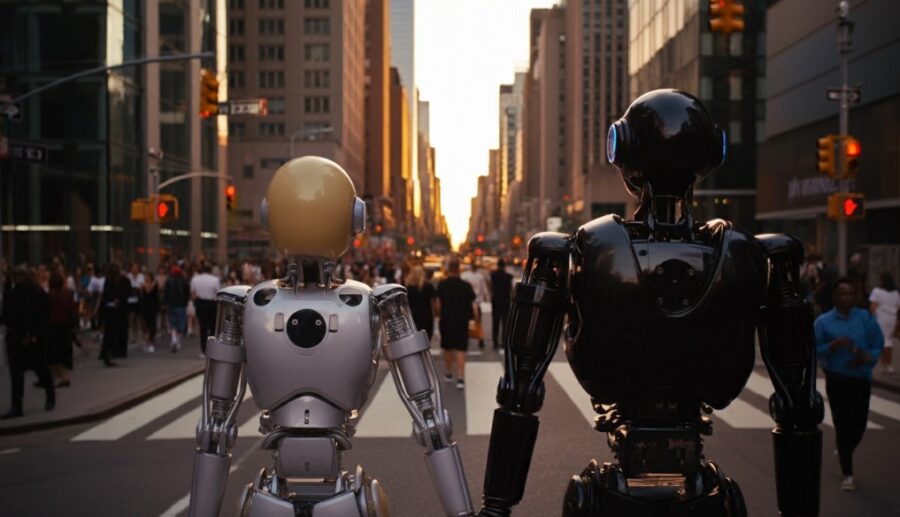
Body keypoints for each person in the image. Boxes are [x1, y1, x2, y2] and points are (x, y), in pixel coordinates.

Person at [815, 277, 884, 491]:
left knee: (860, 423)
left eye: (850, 294)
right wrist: (833, 346)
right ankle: (848, 472)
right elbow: (815, 350)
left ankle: (845, 447)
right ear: (835, 297)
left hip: (861, 378)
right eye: (843, 294)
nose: (847, 298)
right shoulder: (823, 322)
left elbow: (877, 343)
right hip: (837, 378)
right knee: (842, 421)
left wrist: (867, 357)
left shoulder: (865, 318)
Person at [1, 266, 55, 418]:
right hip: (15, 337)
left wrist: (34, 333)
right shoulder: (11, 293)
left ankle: (50, 393)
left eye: (19, 275)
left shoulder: (35, 292)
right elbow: (6, 315)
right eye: (15, 275)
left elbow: (43, 314)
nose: (17, 278)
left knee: (39, 368)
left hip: (31, 338)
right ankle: (16, 405)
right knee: (16, 373)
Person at [436, 258, 477, 390]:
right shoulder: (466, 286)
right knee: (460, 349)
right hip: (462, 321)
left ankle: (448, 373)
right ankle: (460, 377)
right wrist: (476, 319)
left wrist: (439, 314)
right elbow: (473, 305)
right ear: (459, 269)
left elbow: (438, 305)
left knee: (447, 348)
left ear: (448, 269)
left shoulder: (442, 285)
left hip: (446, 320)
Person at [46, 272, 77, 387]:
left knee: (52, 355)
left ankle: (62, 377)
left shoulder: (50, 296)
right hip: (65, 326)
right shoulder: (68, 293)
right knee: (62, 354)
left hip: (53, 327)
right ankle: (63, 376)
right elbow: (72, 310)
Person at [99, 264, 130, 365]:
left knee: (121, 329)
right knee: (110, 331)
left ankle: (120, 350)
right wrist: (111, 301)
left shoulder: (125, 281)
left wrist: (119, 300)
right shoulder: (108, 281)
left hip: (121, 310)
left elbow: (127, 293)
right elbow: (105, 295)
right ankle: (110, 350)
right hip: (110, 310)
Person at [869, 272, 900, 374]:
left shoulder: (877, 291)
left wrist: (872, 318)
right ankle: (886, 364)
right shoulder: (895, 293)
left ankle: (887, 364)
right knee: (888, 340)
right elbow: (898, 307)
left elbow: (873, 306)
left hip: (881, 317)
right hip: (892, 318)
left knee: (884, 341)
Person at [191, 262, 221, 357]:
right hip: (212, 303)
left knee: (202, 327)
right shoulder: (215, 280)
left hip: (200, 303)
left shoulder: (195, 279)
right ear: (211, 270)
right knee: (213, 327)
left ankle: (203, 350)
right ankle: (212, 349)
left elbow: (193, 293)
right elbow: (218, 293)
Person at [404, 264, 437, 341]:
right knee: (426, 341)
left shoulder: (408, 287)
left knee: (415, 342)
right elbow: (432, 303)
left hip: (412, 317)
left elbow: (406, 304)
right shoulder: (428, 286)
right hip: (426, 316)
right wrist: (434, 315)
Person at [461, 262, 489, 349]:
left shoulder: (464, 276)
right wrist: (486, 297)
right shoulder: (479, 277)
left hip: (468, 302)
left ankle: (472, 338)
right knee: (477, 322)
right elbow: (484, 288)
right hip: (475, 302)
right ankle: (480, 339)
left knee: (467, 322)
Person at [163, 265, 190, 353]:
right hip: (181, 305)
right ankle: (177, 341)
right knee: (181, 324)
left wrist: (164, 303)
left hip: (171, 305)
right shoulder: (184, 281)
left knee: (172, 324)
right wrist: (186, 302)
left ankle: (173, 339)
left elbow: (165, 293)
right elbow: (187, 294)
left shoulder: (168, 281)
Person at [489, 259, 514, 351]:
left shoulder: (493, 275)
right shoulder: (509, 277)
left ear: (497, 265)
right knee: (505, 322)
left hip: (495, 301)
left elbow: (491, 287)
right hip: (505, 301)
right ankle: (503, 341)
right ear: (504, 266)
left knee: (495, 322)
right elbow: (512, 289)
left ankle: (495, 341)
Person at [141, 272, 160, 353]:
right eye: (145, 277)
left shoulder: (155, 284)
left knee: (152, 324)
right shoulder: (143, 284)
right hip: (145, 305)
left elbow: (150, 290)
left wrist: (149, 285)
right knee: (146, 323)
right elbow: (143, 292)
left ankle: (150, 341)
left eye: (148, 277)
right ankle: (147, 342)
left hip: (153, 305)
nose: (146, 278)